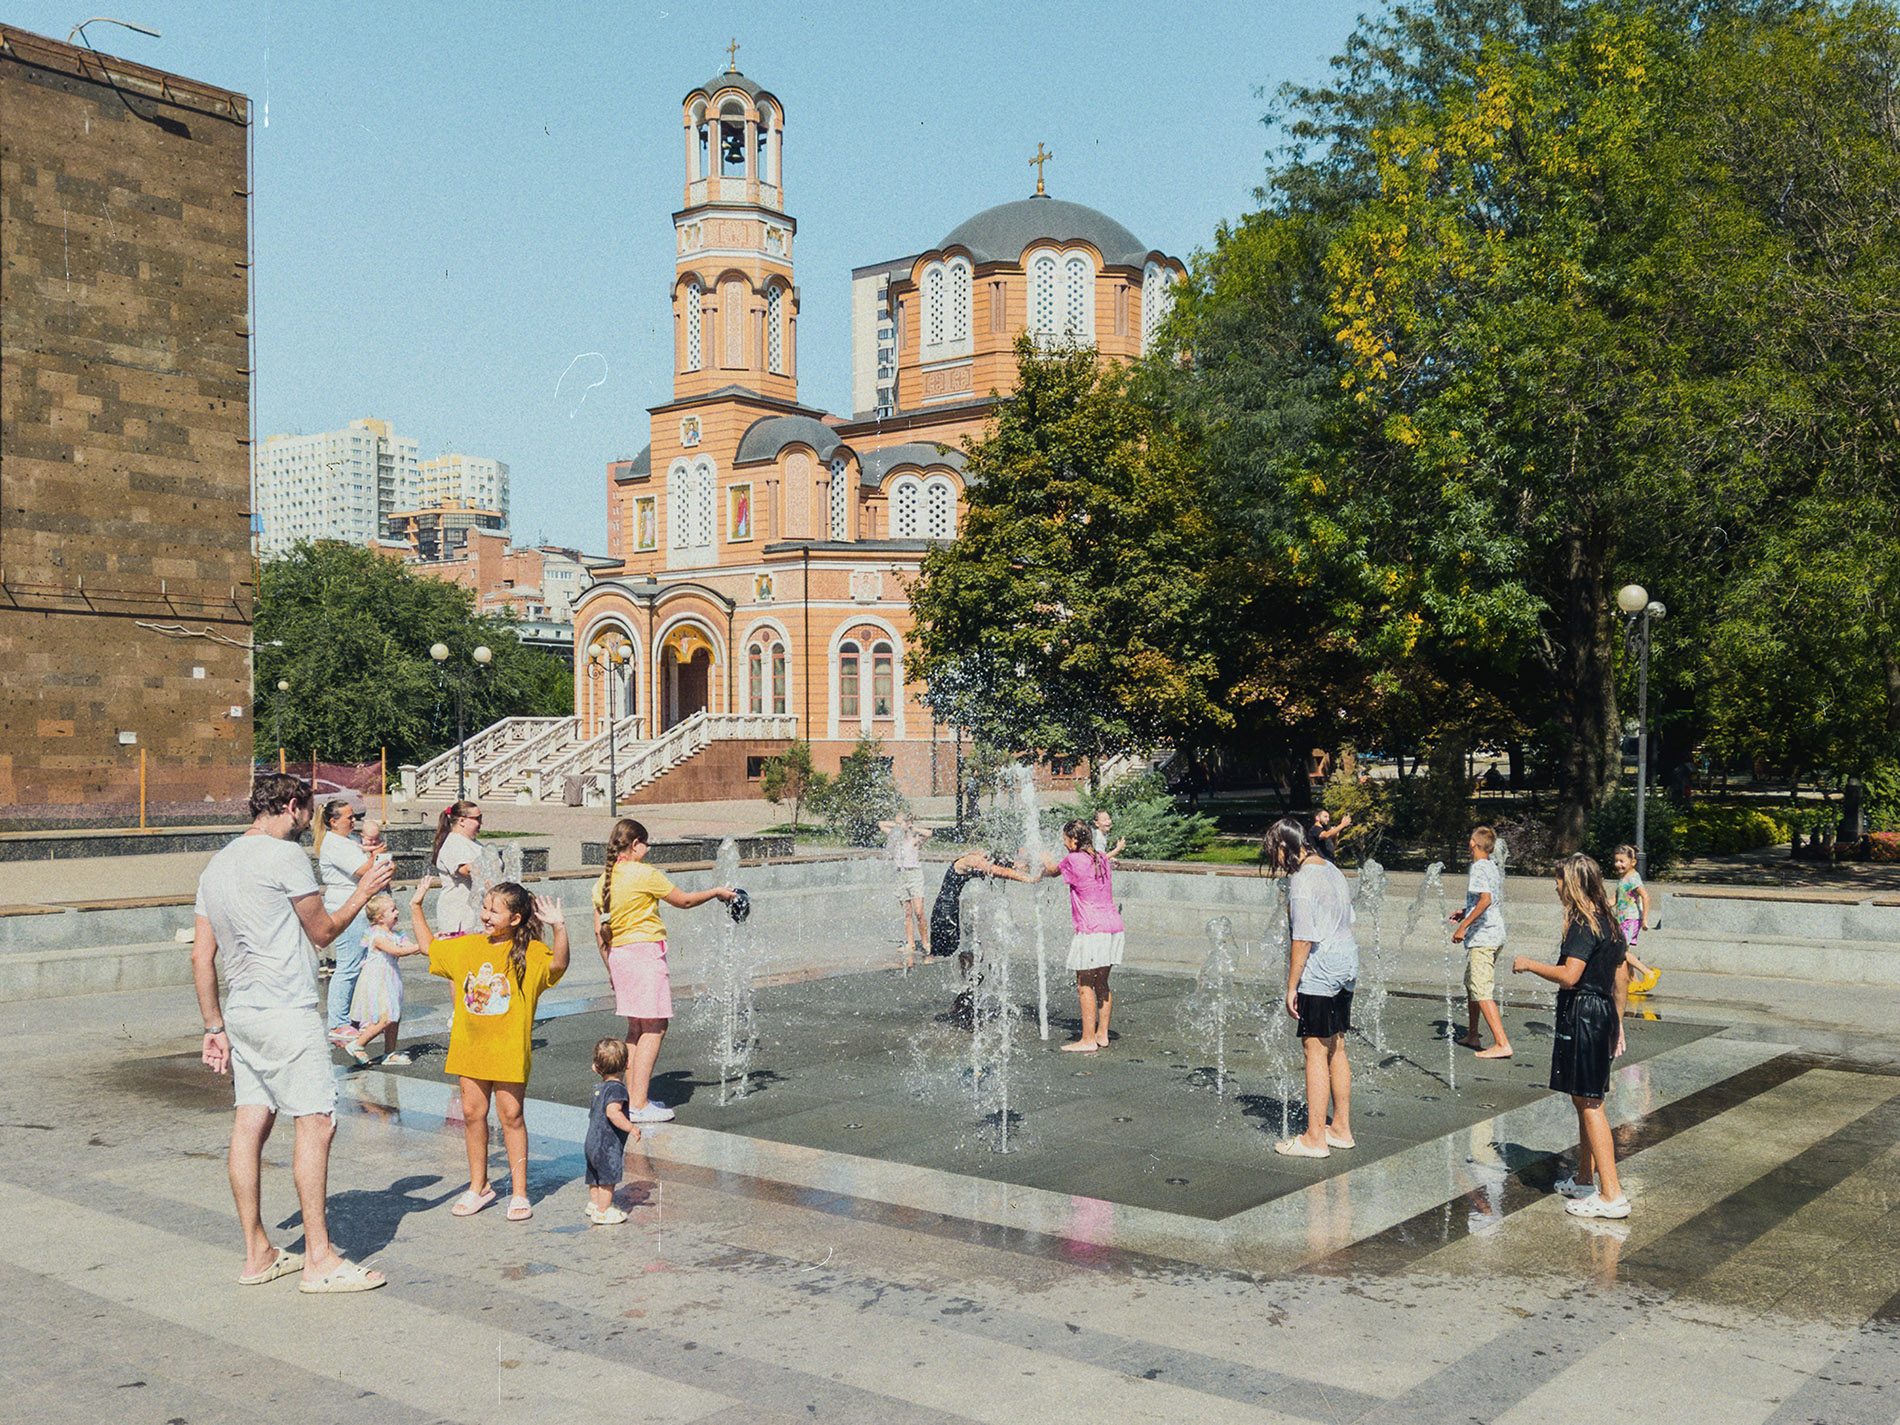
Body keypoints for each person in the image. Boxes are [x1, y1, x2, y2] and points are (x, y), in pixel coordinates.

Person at [191, 772, 394, 1293]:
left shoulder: (217, 864)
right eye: (307, 810)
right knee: (317, 1123)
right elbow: (323, 931)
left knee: (250, 1122)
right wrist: (364, 891)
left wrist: (213, 1025)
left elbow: (201, 954)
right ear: (289, 806)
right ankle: (320, 1260)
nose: (310, 820)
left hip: (243, 1012)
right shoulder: (284, 856)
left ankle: (258, 1252)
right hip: (288, 1009)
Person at [411, 877, 569, 1221]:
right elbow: (429, 948)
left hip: (509, 1049)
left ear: (514, 919)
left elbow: (557, 966)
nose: (485, 915)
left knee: (511, 1116)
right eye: (484, 907)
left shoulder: (530, 953)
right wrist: (416, 905)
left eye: (494, 910)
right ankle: (479, 1185)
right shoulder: (469, 946)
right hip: (470, 1047)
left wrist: (559, 928)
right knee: (471, 1113)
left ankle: (520, 1191)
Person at [593, 818, 737, 1124]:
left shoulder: (603, 881)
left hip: (619, 956)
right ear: (635, 845)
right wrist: (716, 892)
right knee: (655, 1027)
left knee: (636, 1029)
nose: (647, 849)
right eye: (646, 844)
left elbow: (599, 933)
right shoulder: (644, 874)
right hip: (644, 955)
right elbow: (683, 901)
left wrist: (610, 968)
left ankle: (631, 1099)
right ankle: (640, 1104)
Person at [1512, 852, 1632, 1219]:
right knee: (1584, 1100)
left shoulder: (1584, 923)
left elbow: (1570, 976)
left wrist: (1529, 964)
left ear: (1575, 883)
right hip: (1601, 1013)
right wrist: (1618, 1022)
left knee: (1591, 1103)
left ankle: (1612, 1195)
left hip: (1583, 1013)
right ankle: (1584, 1179)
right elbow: (1622, 975)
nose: (1556, 885)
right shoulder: (1609, 921)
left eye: (1560, 879)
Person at [1265, 815, 1358, 1158]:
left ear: (1285, 846)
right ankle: (1342, 1129)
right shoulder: (1332, 869)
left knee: (1314, 1050)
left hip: (1321, 971)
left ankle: (1315, 1138)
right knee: (1336, 1046)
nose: (1274, 859)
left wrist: (1292, 987)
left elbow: (1302, 938)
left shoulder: (1302, 880)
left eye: (1273, 851)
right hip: (1347, 964)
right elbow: (1348, 918)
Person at [1040, 819, 1124, 1053]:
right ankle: (1102, 1034)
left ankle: (1087, 1040)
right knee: (1102, 982)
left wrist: (1043, 853)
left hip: (1091, 929)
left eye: (1065, 840)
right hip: (1114, 926)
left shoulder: (1073, 859)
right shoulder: (1100, 858)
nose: (1064, 844)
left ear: (1074, 840)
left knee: (1084, 984)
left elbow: (1051, 871)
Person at [927, 847, 1037, 1022]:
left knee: (973, 955)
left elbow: (1006, 867)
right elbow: (998, 870)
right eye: (985, 856)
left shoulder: (977, 862)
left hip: (955, 909)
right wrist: (1030, 879)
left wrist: (1031, 867)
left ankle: (965, 997)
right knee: (965, 954)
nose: (986, 858)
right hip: (946, 910)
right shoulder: (970, 860)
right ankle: (964, 997)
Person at [1451, 825, 1514, 1059]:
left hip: (1484, 937)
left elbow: (1485, 900)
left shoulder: (1478, 868)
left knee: (1481, 988)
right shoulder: (1491, 866)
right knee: (1472, 983)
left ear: (1472, 843)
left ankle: (1502, 1043)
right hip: (1494, 934)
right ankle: (1473, 1034)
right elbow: (1486, 900)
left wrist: (1463, 926)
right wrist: (1465, 911)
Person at [318, 800, 374, 1041]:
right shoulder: (334, 844)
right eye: (349, 817)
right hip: (345, 906)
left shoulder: (348, 841)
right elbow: (363, 870)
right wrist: (379, 855)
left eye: (354, 816)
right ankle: (338, 1022)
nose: (354, 821)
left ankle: (352, 1015)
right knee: (349, 965)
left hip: (358, 905)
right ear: (333, 821)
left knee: (360, 964)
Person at [343, 893, 422, 1065]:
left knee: (395, 1016)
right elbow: (398, 951)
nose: (397, 912)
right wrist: (422, 946)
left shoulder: (397, 932)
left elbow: (407, 947)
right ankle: (357, 1044)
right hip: (377, 980)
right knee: (386, 1017)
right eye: (393, 910)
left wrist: (429, 943)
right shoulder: (377, 936)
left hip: (391, 978)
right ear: (380, 918)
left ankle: (390, 1053)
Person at [584, 1037, 637, 1225]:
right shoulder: (617, 1089)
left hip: (591, 1142)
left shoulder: (599, 1088)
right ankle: (603, 1211)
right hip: (607, 1144)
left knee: (594, 1175)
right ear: (626, 1064)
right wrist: (631, 1127)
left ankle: (594, 1203)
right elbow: (613, 1113)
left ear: (595, 1068)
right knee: (608, 1179)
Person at [878, 811, 934, 966]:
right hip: (900, 875)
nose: (896, 827)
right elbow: (881, 824)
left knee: (918, 911)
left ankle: (925, 942)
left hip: (914, 875)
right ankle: (910, 943)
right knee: (907, 912)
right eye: (896, 824)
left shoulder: (915, 839)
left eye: (899, 823)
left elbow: (929, 833)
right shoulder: (895, 837)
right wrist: (897, 825)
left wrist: (911, 827)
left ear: (908, 823)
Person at [432, 800, 489, 936]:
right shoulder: (454, 843)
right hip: (459, 916)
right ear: (462, 821)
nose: (481, 822)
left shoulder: (472, 843)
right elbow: (465, 869)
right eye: (477, 818)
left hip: (474, 914)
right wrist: (491, 881)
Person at [1612, 845, 1660, 992]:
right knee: (1623, 950)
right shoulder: (1623, 879)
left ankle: (1648, 973)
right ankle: (1635, 982)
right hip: (1623, 920)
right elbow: (1613, 900)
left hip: (1631, 919)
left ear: (1633, 862)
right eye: (1616, 861)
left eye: (1622, 861)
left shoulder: (1633, 877)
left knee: (1620, 951)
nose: (1618, 864)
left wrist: (1645, 919)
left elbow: (1645, 896)